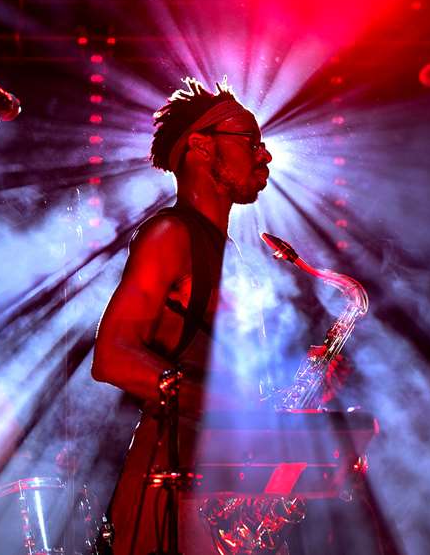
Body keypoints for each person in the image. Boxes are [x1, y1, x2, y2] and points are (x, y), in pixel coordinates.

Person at [91, 78, 273, 555]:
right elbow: (110, 356)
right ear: (200, 145)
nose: (265, 156)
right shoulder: (170, 234)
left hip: (215, 478)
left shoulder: (228, 251)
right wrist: (222, 402)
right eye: (251, 142)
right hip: (170, 484)